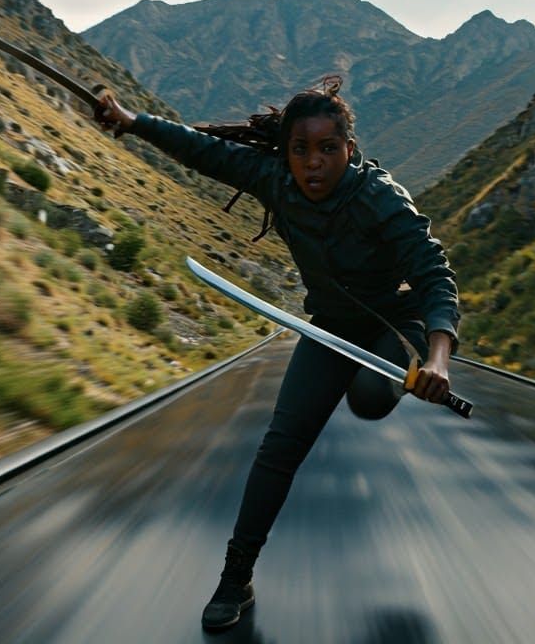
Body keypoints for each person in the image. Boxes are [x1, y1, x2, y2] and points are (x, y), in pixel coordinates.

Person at [94, 79, 458, 630]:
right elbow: (204, 151)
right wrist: (132, 121)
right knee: (279, 445)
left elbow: (435, 275)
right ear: (286, 154)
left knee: (366, 396)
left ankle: (387, 379)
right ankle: (235, 577)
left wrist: (436, 361)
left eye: (328, 149)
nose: (313, 164)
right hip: (332, 328)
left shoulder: (381, 197)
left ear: (349, 151)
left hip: (393, 327)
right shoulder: (276, 180)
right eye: (300, 150)